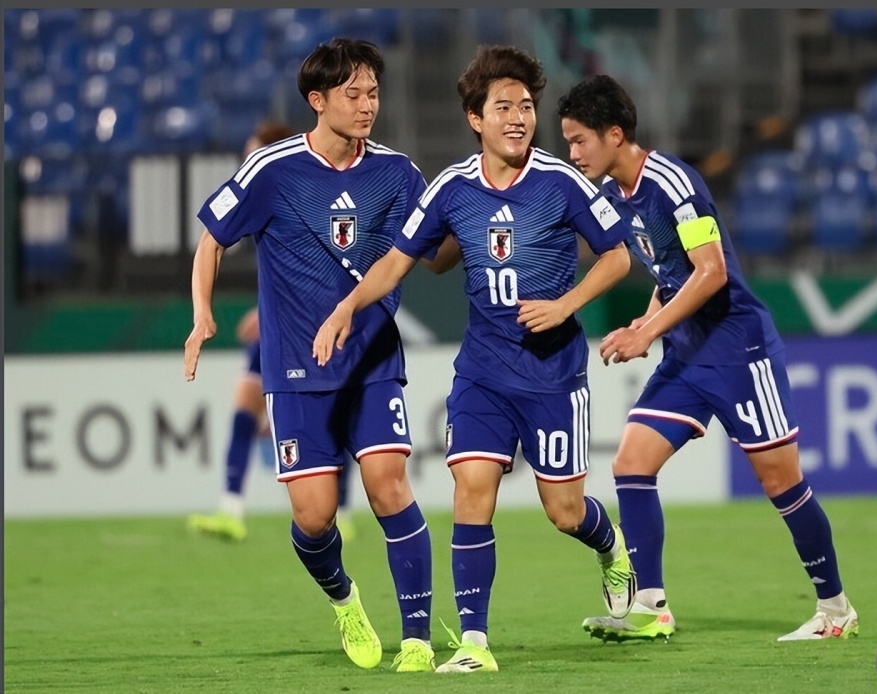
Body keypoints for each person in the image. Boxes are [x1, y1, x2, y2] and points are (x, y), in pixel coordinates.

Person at [314, 45, 638, 674]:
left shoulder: (562, 182)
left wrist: (566, 304)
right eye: (504, 107)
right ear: (475, 118)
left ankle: (610, 545)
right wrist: (346, 307)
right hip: (483, 374)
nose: (519, 118)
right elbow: (398, 261)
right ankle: (475, 643)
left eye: (527, 107)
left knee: (565, 512)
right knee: (471, 491)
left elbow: (619, 255)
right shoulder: (452, 188)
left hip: (552, 374)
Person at [557, 74, 858, 643]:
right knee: (631, 463)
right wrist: (646, 322)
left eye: (579, 140)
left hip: (738, 349)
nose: (573, 153)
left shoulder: (672, 183)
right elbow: (670, 274)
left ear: (614, 134)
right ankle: (650, 606)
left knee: (781, 482)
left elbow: (711, 271)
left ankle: (835, 609)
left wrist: (648, 335)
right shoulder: (617, 195)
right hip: (688, 353)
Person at [183, 38, 438, 672]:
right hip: (297, 370)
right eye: (353, 94)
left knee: (388, 485)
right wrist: (202, 313)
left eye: (373, 93)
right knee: (315, 515)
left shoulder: (398, 173)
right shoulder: (272, 169)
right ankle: (345, 599)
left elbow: (433, 250)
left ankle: (417, 637)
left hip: (372, 360)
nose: (367, 105)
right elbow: (211, 239)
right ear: (317, 100)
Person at [187, 122, 358, 544]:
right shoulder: (258, 192)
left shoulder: (298, 187)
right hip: (278, 328)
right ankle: (231, 509)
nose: (246, 161)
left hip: (322, 327)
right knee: (245, 402)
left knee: (339, 418)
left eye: (253, 152)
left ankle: (344, 510)